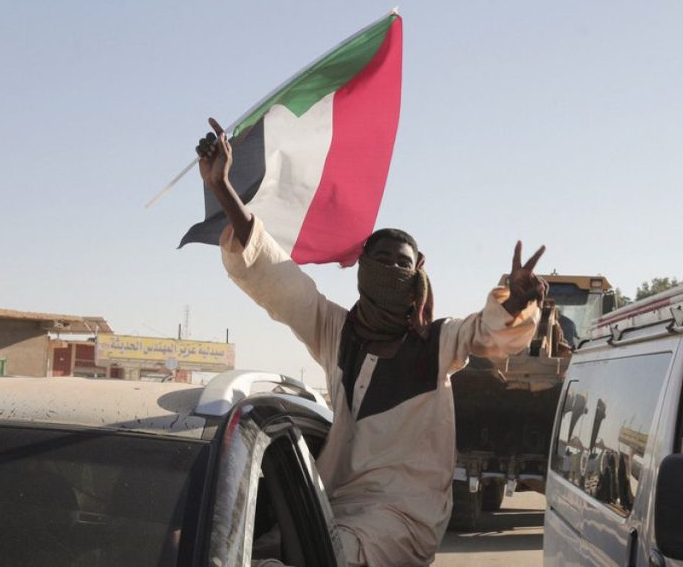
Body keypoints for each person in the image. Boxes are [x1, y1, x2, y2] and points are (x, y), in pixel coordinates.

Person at [196, 119, 545, 566]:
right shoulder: (337, 332)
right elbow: (276, 277)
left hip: (403, 517)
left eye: (403, 264)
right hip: (334, 503)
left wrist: (515, 301)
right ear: (363, 268)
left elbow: (489, 333)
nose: (392, 271)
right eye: (382, 260)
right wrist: (223, 187)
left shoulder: (437, 343)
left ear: (418, 273)